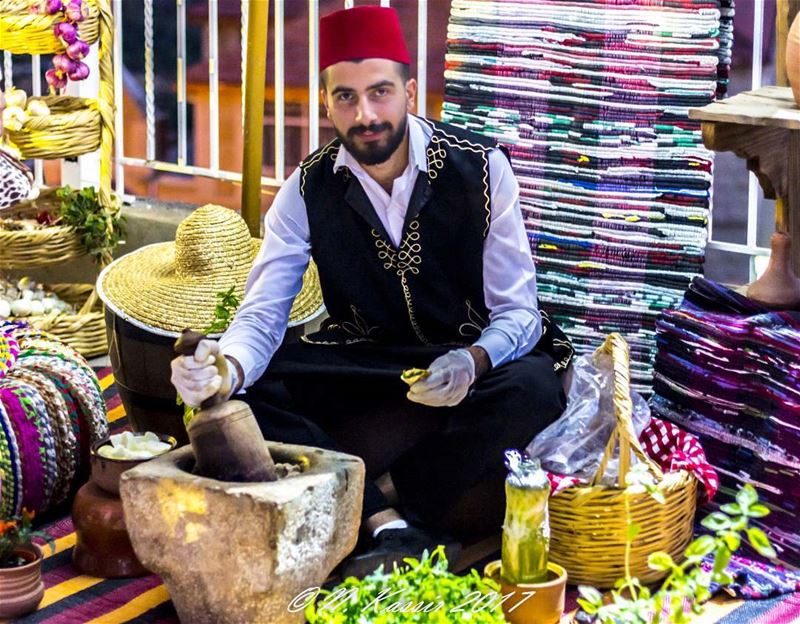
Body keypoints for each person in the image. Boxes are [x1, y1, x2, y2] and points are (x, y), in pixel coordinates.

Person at [171, 5, 573, 577]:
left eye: (380, 92)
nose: (366, 114)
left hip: (471, 360)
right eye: (346, 97)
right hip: (370, 359)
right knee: (244, 398)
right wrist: (223, 369)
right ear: (326, 103)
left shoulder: (482, 170)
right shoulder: (305, 189)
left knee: (535, 387)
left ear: (410, 91)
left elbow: (520, 314)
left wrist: (473, 360)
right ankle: (387, 521)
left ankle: (376, 498)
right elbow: (262, 316)